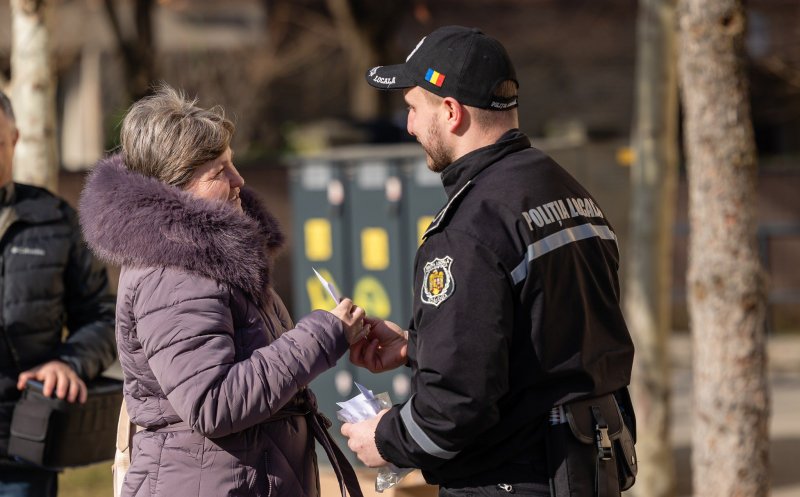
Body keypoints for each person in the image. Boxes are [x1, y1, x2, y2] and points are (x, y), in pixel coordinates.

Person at [341, 26, 636, 497]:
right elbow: (547, 343)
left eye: (413, 108)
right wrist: (420, 346)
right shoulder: (567, 191)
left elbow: (454, 408)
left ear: (451, 112)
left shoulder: (468, 228)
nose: (410, 126)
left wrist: (384, 438)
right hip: (585, 468)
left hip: (515, 478)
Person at [78, 85, 366, 497]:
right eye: (218, 171)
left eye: (232, 162)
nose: (238, 180)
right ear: (176, 187)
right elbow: (212, 402)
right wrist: (320, 337)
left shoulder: (209, 258)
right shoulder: (174, 273)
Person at [0, 90, 117, 496]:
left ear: (15, 138)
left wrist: (69, 364)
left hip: (24, 449)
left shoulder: (56, 220)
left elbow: (105, 317)